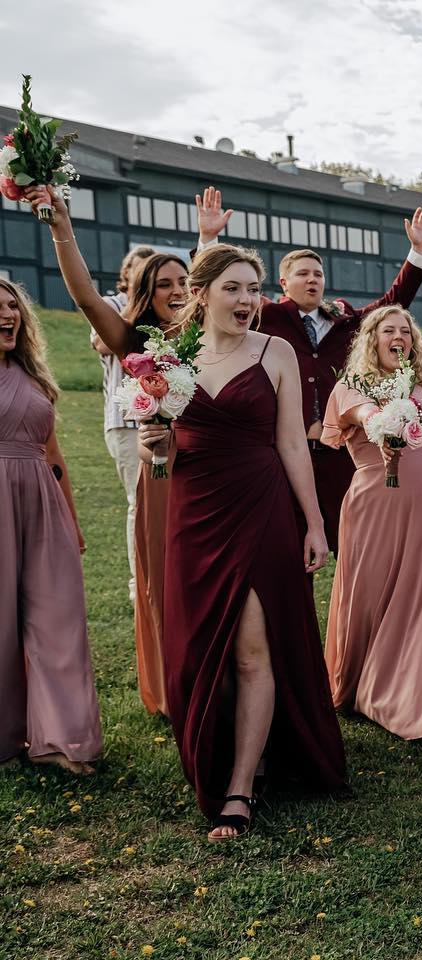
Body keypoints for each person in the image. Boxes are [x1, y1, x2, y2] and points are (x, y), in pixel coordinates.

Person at [138, 242, 346, 840]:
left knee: (254, 652)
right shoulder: (169, 358)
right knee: (200, 650)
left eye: (253, 289)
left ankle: (240, 786)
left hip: (261, 510)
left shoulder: (275, 352)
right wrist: (156, 446)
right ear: (200, 294)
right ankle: (219, 752)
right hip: (194, 511)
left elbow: (291, 446)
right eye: (233, 288)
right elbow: (163, 451)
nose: (247, 301)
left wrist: (313, 523)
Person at [194, 187, 422, 550]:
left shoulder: (345, 320)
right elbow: (218, 296)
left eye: (318, 274)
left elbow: (391, 305)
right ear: (283, 284)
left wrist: (417, 253)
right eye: (303, 274)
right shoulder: (265, 316)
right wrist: (209, 240)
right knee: (290, 545)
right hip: (287, 451)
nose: (312, 280)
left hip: (340, 454)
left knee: (353, 542)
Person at [30, 188, 188, 717]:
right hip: (161, 473)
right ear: (145, 291)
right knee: (163, 572)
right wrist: (61, 227)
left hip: (214, 472)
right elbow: (85, 298)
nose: (176, 290)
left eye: (184, 282)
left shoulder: (214, 337)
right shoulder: (132, 341)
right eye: (163, 284)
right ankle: (173, 680)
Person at [323, 228, 422, 740]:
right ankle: (369, 683)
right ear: (371, 341)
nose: (400, 338)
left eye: (405, 332)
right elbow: (366, 416)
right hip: (380, 509)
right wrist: (381, 428)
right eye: (388, 331)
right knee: (374, 595)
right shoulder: (349, 388)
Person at [0, 277, 101, 776]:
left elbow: (54, 455)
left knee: (58, 620)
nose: (8, 315)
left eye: (13, 306)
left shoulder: (33, 377)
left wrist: (72, 522)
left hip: (42, 505)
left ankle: (63, 739)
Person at [94, 244, 155, 602]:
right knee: (139, 501)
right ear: (127, 274)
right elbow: (103, 344)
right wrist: (137, 303)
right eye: (139, 268)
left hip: (164, 422)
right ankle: (139, 583)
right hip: (126, 421)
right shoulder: (114, 305)